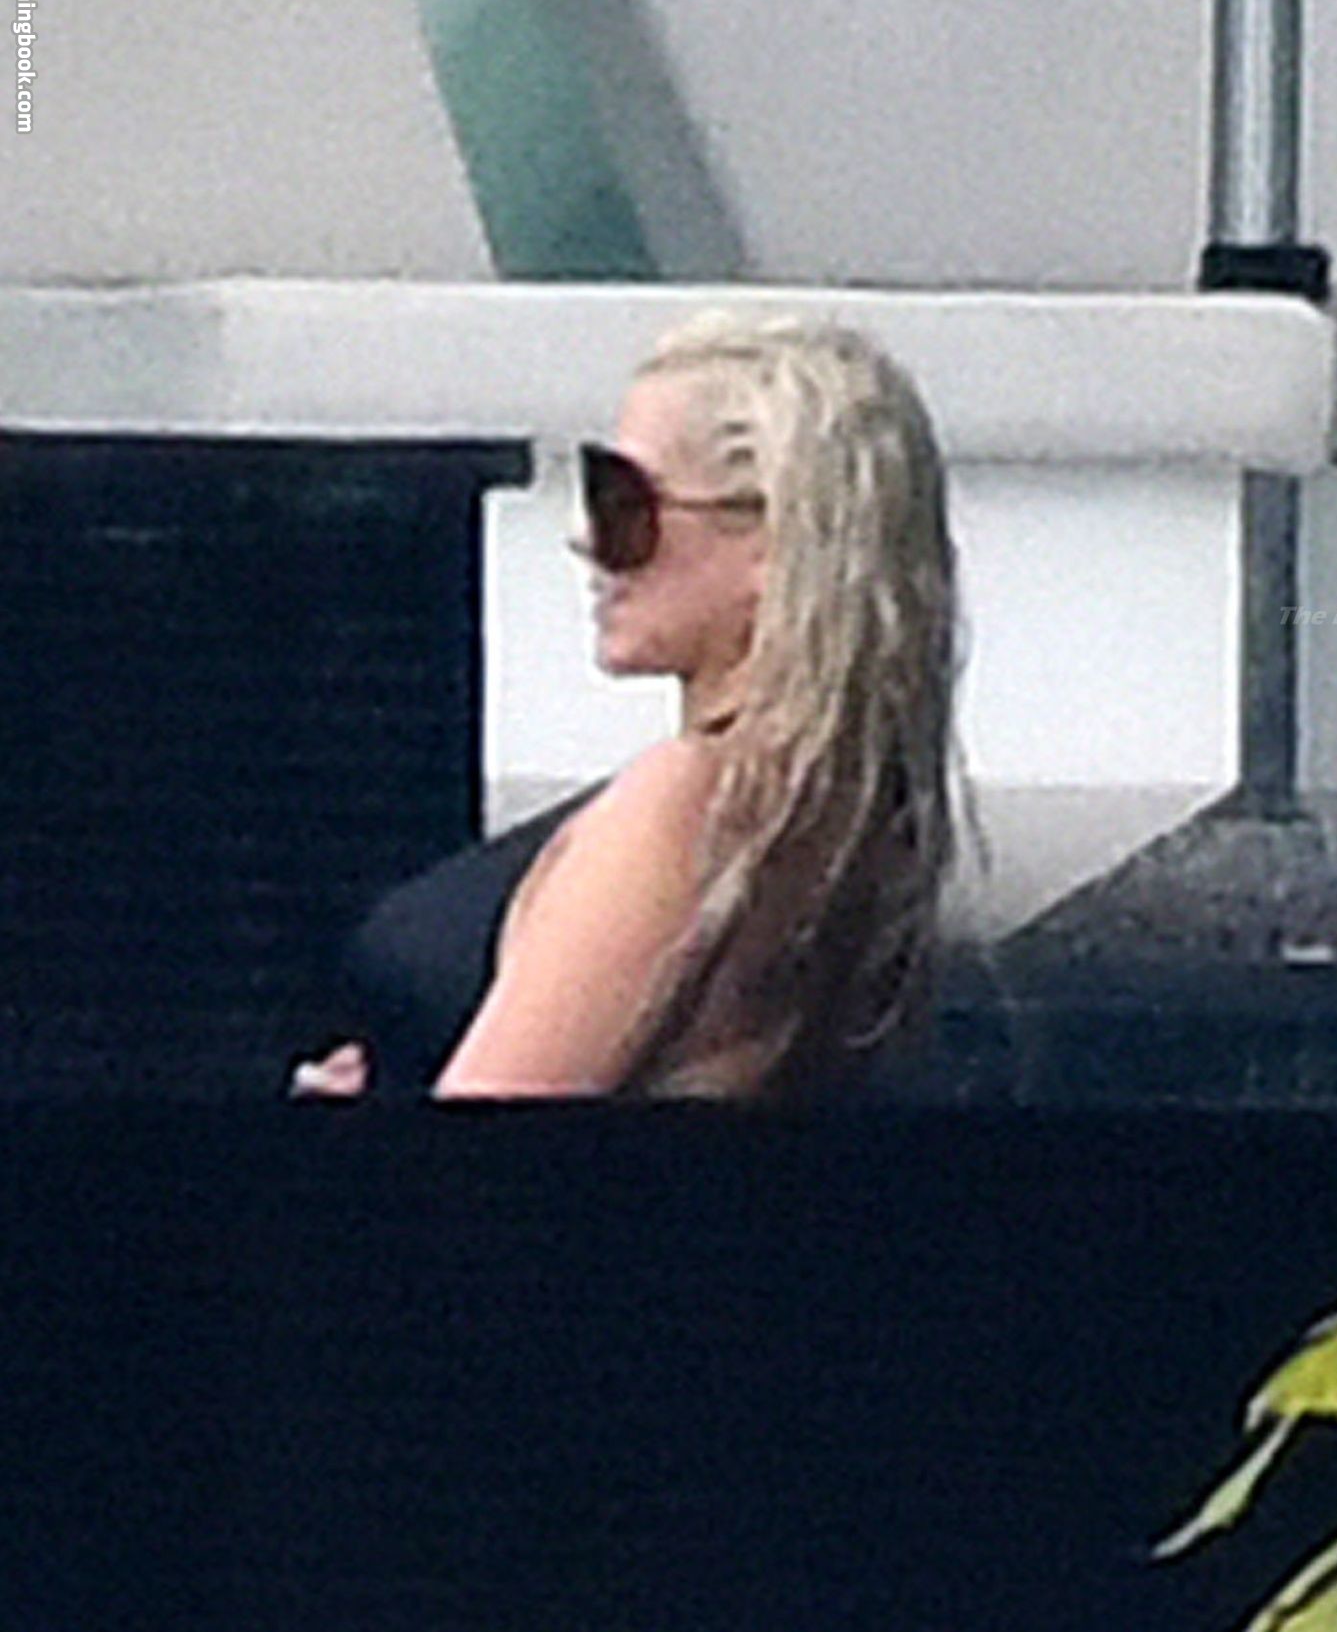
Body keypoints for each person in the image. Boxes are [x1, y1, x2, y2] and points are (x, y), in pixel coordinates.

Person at [292, 310, 976, 1101]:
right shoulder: (830, 821)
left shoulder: (687, 806)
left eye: (622, 500)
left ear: (772, 541)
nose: (585, 537)